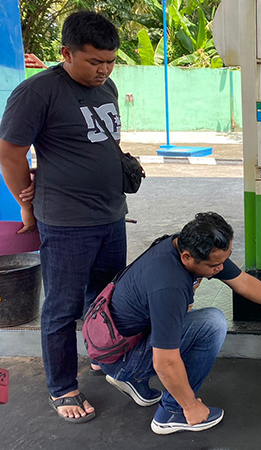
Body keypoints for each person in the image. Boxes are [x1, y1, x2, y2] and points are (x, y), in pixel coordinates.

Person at [0, 11, 127, 423]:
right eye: (94, 61)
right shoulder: (37, 92)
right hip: (67, 221)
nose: (103, 70)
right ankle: (62, 387)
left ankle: (100, 354)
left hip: (111, 214)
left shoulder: (107, 86)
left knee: (105, 296)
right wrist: (26, 205)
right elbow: (10, 153)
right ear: (66, 53)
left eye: (110, 61)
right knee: (61, 306)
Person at [99, 212, 261, 434]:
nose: (221, 268)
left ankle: (131, 379)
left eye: (225, 259)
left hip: (116, 344)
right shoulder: (170, 287)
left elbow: (242, 282)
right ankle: (173, 413)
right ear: (187, 257)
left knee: (188, 321)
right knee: (211, 324)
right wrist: (190, 405)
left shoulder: (180, 243)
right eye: (215, 265)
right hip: (123, 357)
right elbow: (164, 362)